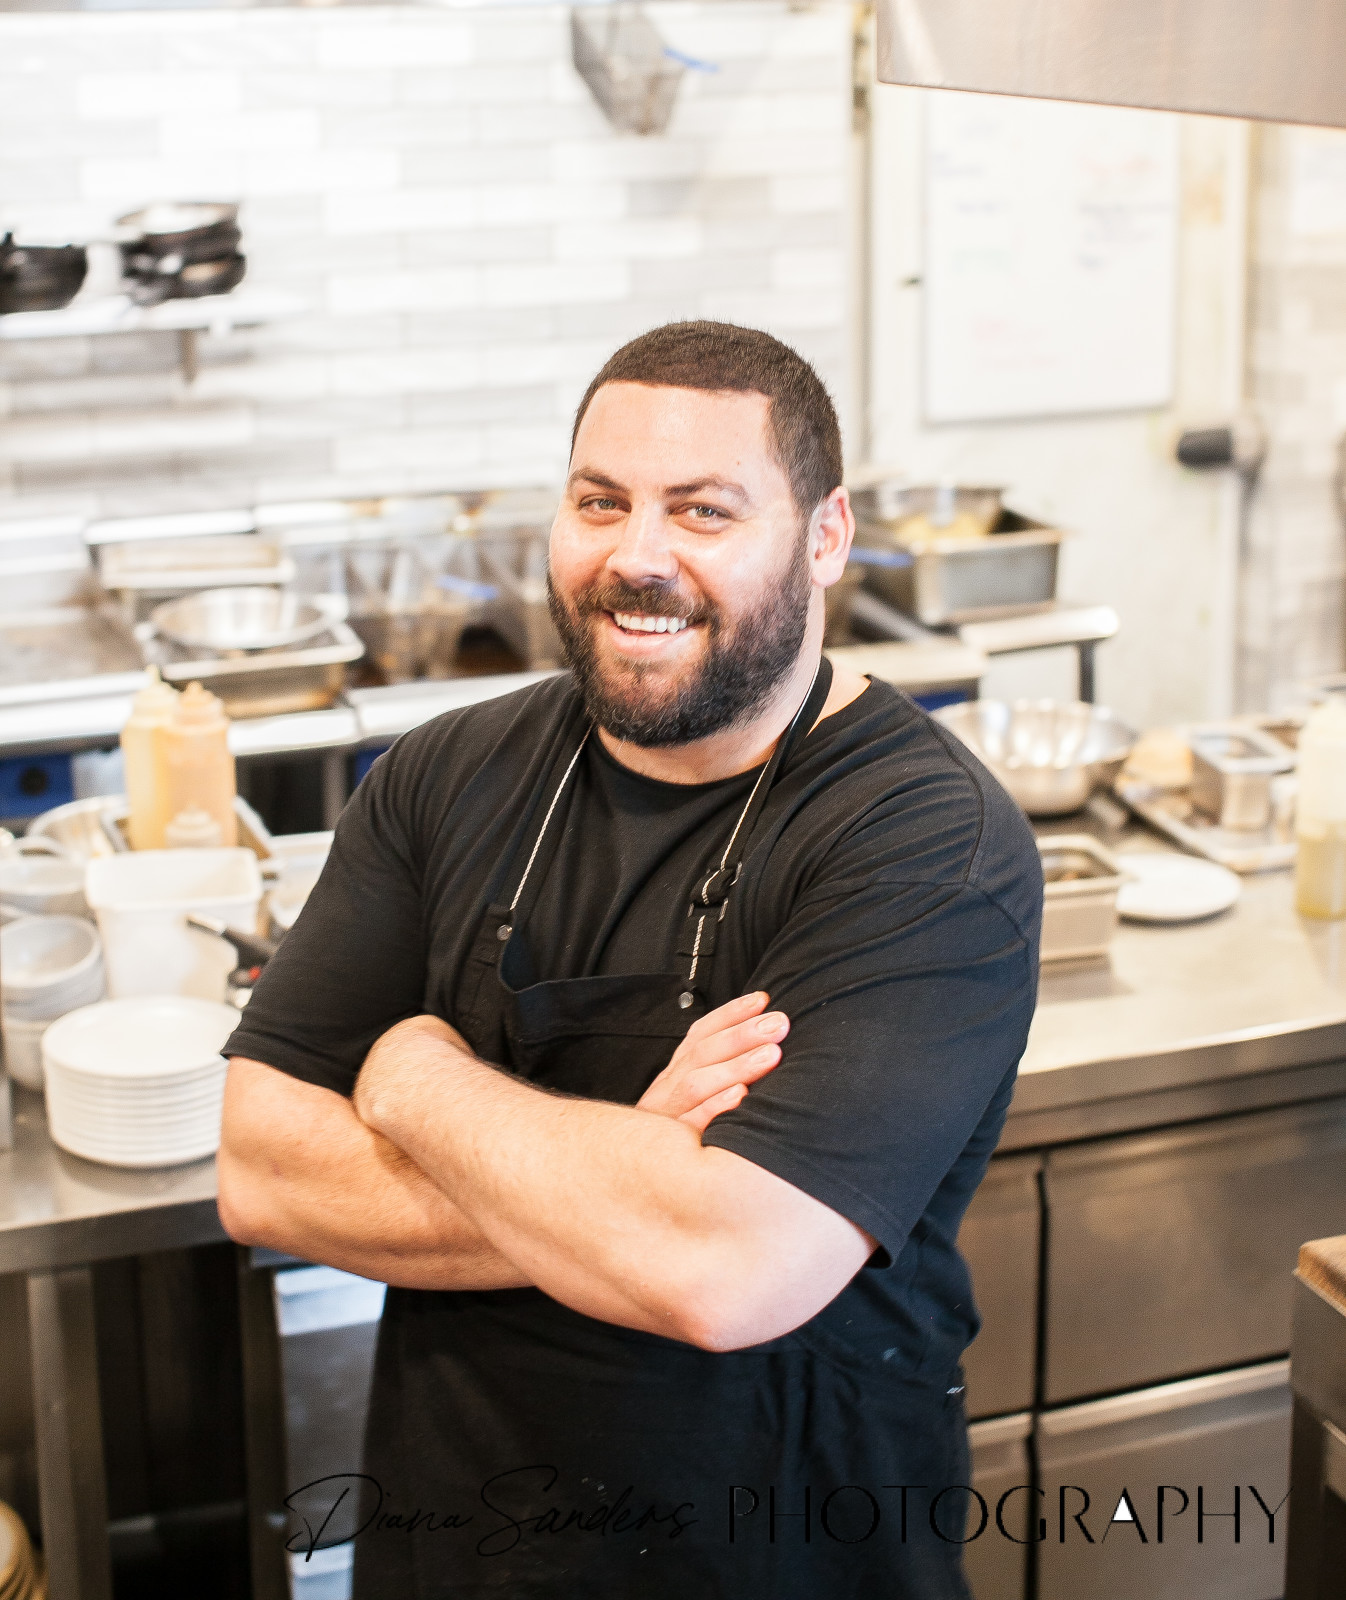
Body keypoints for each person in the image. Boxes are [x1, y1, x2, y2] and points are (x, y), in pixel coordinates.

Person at [218, 319, 1042, 1600]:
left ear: (824, 535)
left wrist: (412, 1075)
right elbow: (263, 1172)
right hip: (459, 1545)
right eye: (600, 501)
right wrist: (633, 1180)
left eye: (704, 510)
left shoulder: (927, 842)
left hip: (784, 1555)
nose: (636, 557)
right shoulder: (440, 774)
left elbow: (722, 1269)